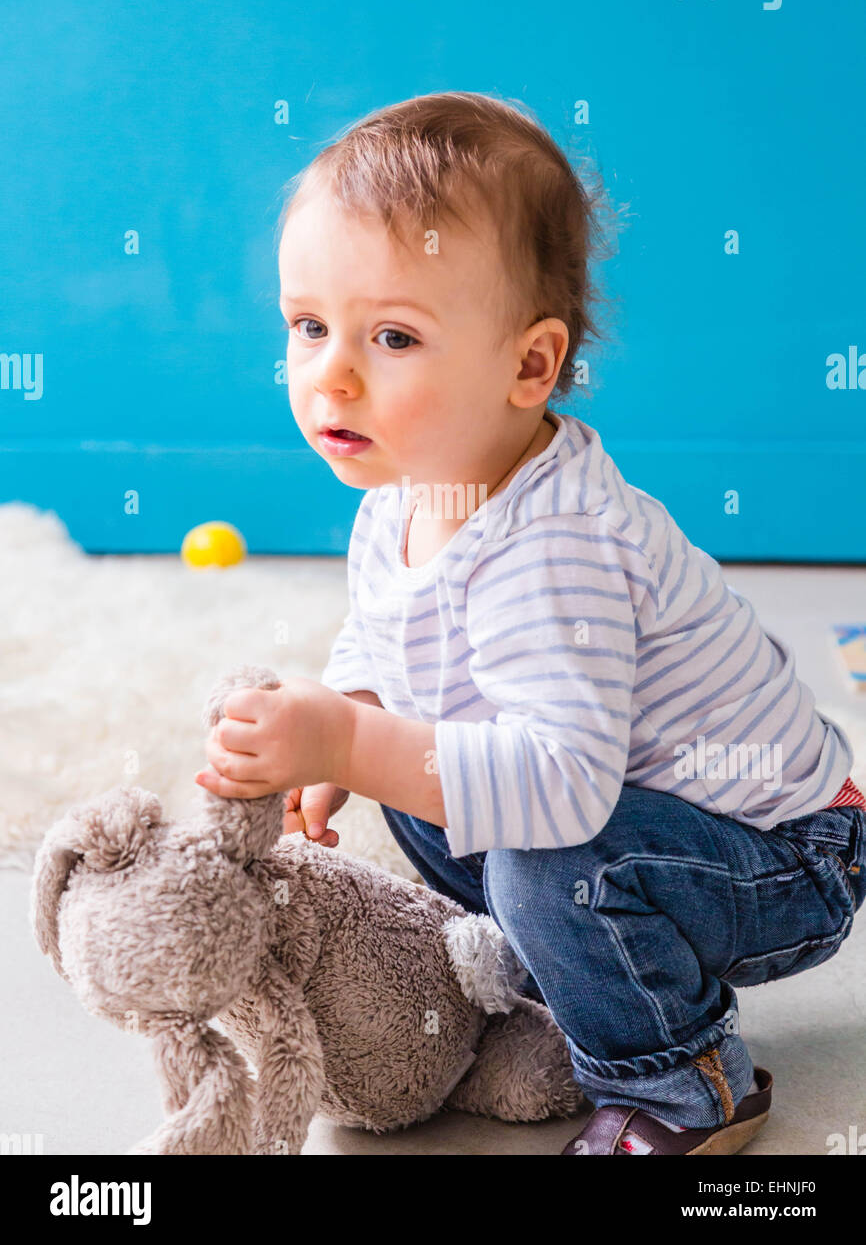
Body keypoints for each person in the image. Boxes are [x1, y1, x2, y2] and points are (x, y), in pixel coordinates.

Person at [195, 91, 866, 1155]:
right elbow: (381, 638)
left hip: (784, 854)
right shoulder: (405, 493)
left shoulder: (557, 546)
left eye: (394, 335)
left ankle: (682, 1083)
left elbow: (561, 787)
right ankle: (574, 982)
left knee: (537, 853)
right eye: (309, 326)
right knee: (429, 787)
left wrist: (347, 738)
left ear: (528, 366)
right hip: (649, 822)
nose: (332, 370)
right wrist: (353, 717)